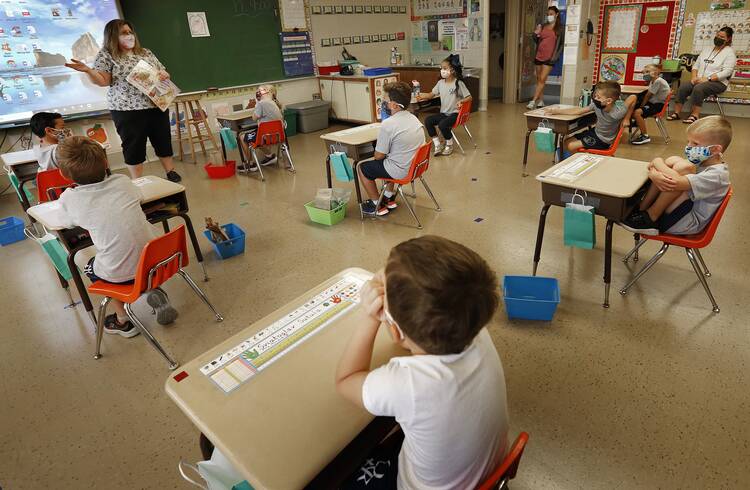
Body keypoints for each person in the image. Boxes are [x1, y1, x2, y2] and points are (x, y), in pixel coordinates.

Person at [335, 235, 509, 489]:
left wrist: (370, 318)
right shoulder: (474, 328)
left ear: (396, 331)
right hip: (488, 476)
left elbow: (345, 380)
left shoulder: (408, 386)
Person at [53, 136, 178, 336]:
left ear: (63, 174)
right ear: (106, 162)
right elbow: (141, 197)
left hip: (122, 275)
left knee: (83, 260)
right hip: (160, 263)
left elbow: (63, 222)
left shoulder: (71, 198)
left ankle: (123, 320)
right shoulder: (123, 182)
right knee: (138, 247)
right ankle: (151, 290)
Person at [65, 19, 181, 182]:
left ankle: (170, 171)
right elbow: (103, 81)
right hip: (126, 109)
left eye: (130, 32)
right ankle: (136, 180)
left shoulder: (145, 52)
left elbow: (162, 71)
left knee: (163, 140)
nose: (129, 36)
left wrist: (164, 74)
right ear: (113, 36)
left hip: (156, 104)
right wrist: (88, 71)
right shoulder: (106, 55)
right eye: (123, 33)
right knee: (134, 146)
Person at [620, 116, 731, 236]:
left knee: (683, 168)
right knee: (675, 161)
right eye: (688, 141)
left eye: (695, 143)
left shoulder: (718, 175)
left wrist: (657, 162)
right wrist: (657, 173)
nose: (688, 146)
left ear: (715, 149)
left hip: (685, 222)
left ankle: (651, 217)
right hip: (681, 209)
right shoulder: (703, 160)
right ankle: (641, 209)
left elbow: (676, 181)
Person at [358, 81, 425, 217]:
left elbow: (378, 156)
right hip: (416, 167)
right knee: (390, 159)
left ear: (394, 105)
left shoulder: (388, 124)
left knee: (362, 168)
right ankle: (388, 197)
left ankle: (376, 204)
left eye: (385, 100)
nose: (383, 103)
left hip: (400, 171)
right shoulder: (414, 119)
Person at [668, 27, 736, 124]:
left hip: (718, 83)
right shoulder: (707, 49)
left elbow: (727, 72)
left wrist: (708, 79)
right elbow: (696, 65)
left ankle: (694, 115)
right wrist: (694, 77)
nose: (718, 38)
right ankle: (677, 113)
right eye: (717, 35)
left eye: (722, 37)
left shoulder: (729, 53)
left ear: (728, 39)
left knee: (699, 88)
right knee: (683, 86)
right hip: (699, 79)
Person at [546, 81, 636, 154]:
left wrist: (626, 118)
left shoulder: (617, 113)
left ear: (608, 101)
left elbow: (633, 97)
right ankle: (577, 160)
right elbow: (578, 111)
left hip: (603, 140)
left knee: (570, 146)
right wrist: (557, 111)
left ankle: (579, 163)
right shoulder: (596, 105)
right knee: (566, 141)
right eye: (595, 96)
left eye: (598, 97)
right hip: (595, 132)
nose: (595, 99)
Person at [416, 54, 472, 156]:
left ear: (453, 70)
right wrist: (421, 96)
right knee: (428, 121)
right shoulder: (440, 83)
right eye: (441, 68)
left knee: (443, 124)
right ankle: (437, 144)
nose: (442, 70)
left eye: (445, 68)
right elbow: (430, 95)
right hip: (444, 113)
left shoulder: (458, 83)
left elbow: (469, 97)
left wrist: (461, 101)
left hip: (455, 114)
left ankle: (449, 144)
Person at [240, 84, 284, 172]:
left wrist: (257, 103)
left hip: (265, 137)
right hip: (278, 137)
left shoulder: (261, 103)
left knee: (241, 136)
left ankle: (251, 164)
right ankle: (270, 156)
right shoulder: (274, 103)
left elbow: (254, 118)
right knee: (257, 135)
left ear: (268, 93)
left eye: (261, 91)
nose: (258, 93)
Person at [527, 6, 563, 109]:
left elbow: (561, 45)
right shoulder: (543, 26)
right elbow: (536, 38)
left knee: (542, 79)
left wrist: (555, 57)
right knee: (539, 79)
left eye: (551, 14)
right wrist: (535, 33)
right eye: (548, 14)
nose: (549, 16)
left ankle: (533, 101)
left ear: (556, 14)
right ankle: (541, 101)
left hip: (550, 58)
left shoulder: (560, 28)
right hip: (539, 56)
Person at [631, 64, 672, 145]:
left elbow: (648, 96)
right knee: (633, 107)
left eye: (647, 72)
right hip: (654, 103)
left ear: (655, 72)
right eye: (644, 72)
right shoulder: (653, 81)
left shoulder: (658, 81)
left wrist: (642, 106)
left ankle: (645, 136)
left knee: (637, 112)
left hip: (658, 105)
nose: (645, 74)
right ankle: (637, 122)